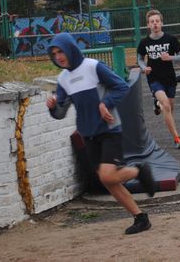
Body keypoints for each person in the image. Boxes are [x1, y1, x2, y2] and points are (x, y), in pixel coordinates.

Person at [46, 32, 155, 235]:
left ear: (70, 49)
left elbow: (121, 86)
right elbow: (60, 113)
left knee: (107, 175)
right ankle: (140, 218)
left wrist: (106, 103)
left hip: (109, 129)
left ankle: (138, 171)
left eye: (61, 51)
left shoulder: (92, 66)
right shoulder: (63, 79)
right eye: (54, 53)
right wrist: (53, 106)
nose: (58, 56)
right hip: (88, 134)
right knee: (108, 180)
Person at [137, 9, 180, 149]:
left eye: (157, 21)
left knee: (169, 106)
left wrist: (170, 57)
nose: (155, 24)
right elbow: (140, 58)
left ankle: (157, 104)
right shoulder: (145, 42)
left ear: (162, 23)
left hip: (169, 77)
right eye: (152, 22)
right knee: (166, 105)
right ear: (148, 25)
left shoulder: (171, 39)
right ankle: (176, 138)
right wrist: (144, 67)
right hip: (154, 78)